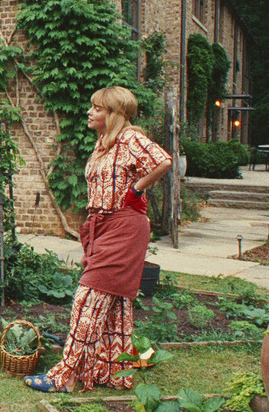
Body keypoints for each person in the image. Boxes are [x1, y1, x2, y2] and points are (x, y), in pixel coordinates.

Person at [24, 86, 172, 393]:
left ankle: (63, 377)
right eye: (92, 107)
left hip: (124, 228)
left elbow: (163, 161)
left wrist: (137, 190)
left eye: (97, 108)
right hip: (103, 226)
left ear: (114, 114)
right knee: (115, 305)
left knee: (87, 300)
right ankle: (111, 373)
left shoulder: (130, 138)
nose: (90, 112)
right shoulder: (103, 143)